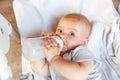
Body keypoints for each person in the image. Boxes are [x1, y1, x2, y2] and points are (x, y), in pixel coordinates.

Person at [30, 13, 94, 80]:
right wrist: (41, 45)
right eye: (60, 31)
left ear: (84, 42)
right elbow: (40, 70)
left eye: (71, 34)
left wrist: (54, 58)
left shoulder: (81, 51)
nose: (62, 35)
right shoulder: (55, 52)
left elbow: (80, 75)